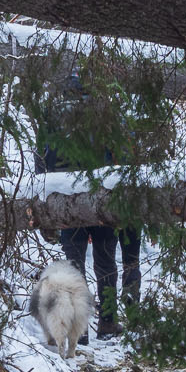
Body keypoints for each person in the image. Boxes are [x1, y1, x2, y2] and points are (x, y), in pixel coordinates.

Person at [36, 73, 142, 339]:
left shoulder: (50, 117)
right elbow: (126, 153)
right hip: (102, 198)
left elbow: (41, 160)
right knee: (105, 263)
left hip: (66, 199)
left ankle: (78, 330)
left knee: (74, 266)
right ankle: (107, 323)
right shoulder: (106, 113)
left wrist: (47, 203)